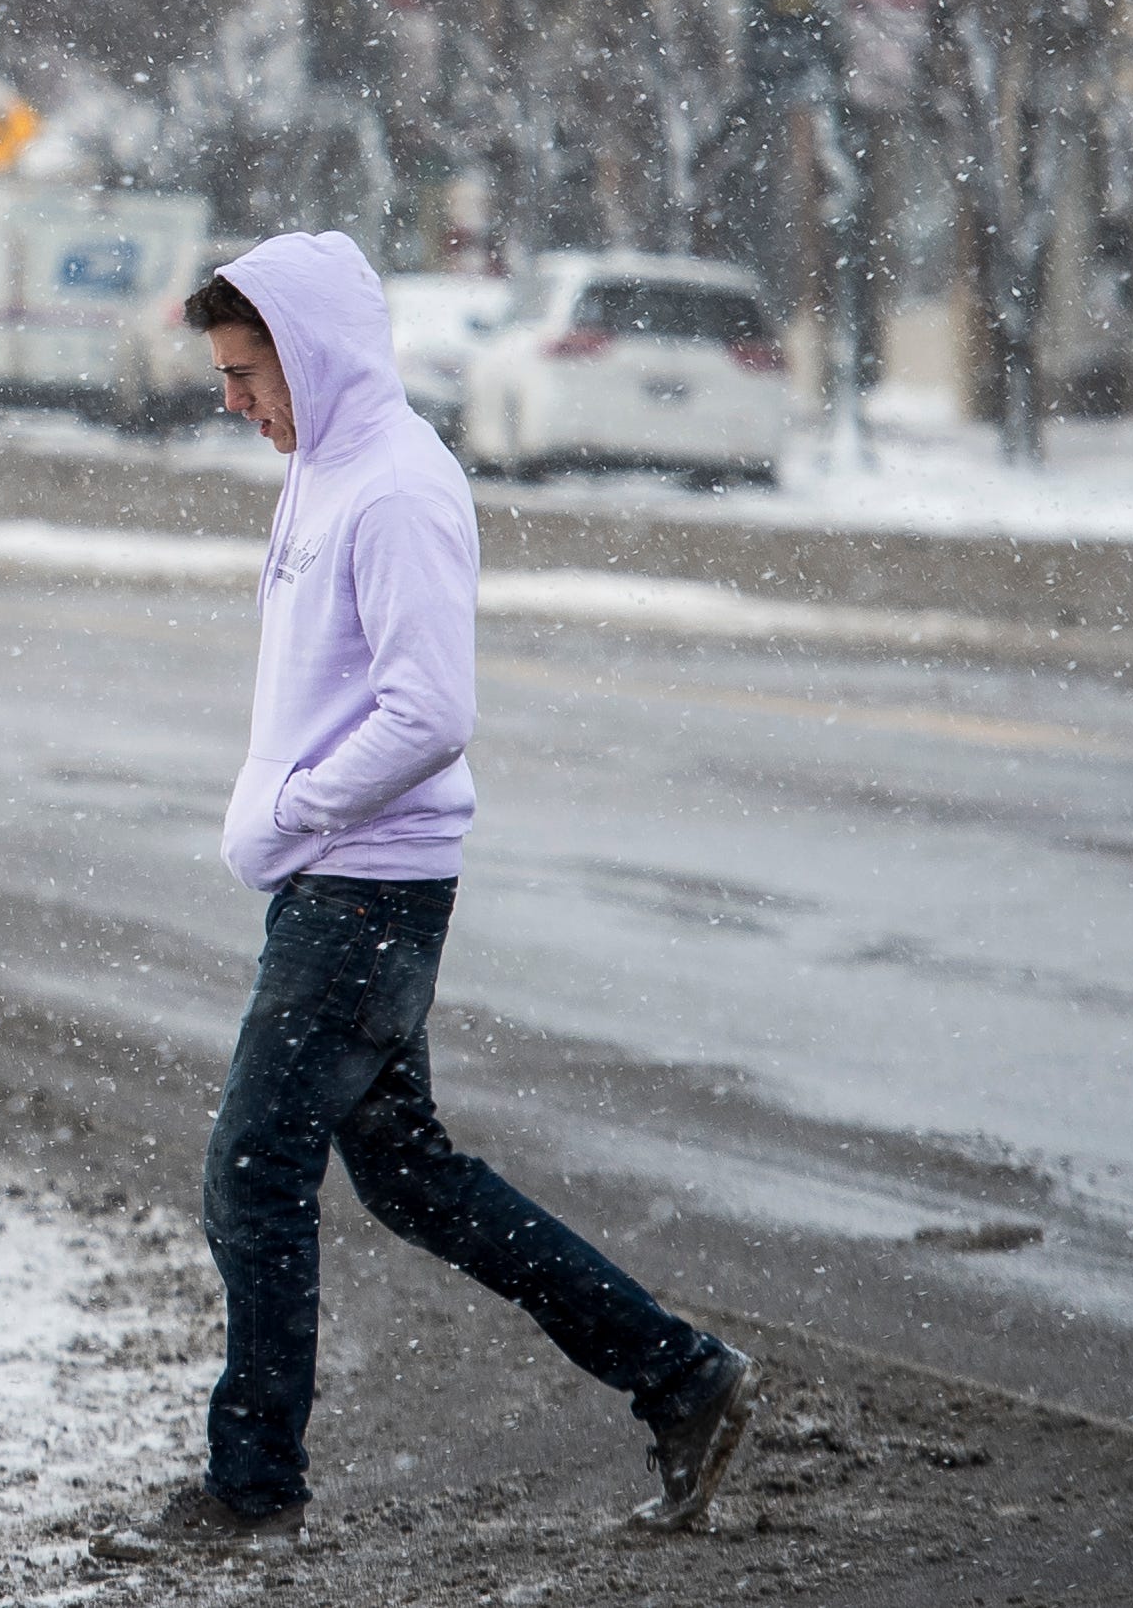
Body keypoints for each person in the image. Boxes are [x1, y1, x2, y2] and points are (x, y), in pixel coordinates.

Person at [104, 231, 758, 1559]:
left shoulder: (393, 488)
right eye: (224, 377)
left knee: (254, 1167)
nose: (232, 402)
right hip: (339, 889)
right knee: (409, 1177)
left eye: (246, 374)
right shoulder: (326, 473)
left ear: (313, 354)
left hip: (363, 893)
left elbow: (427, 710)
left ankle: (252, 1489)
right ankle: (678, 1377)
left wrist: (292, 811)